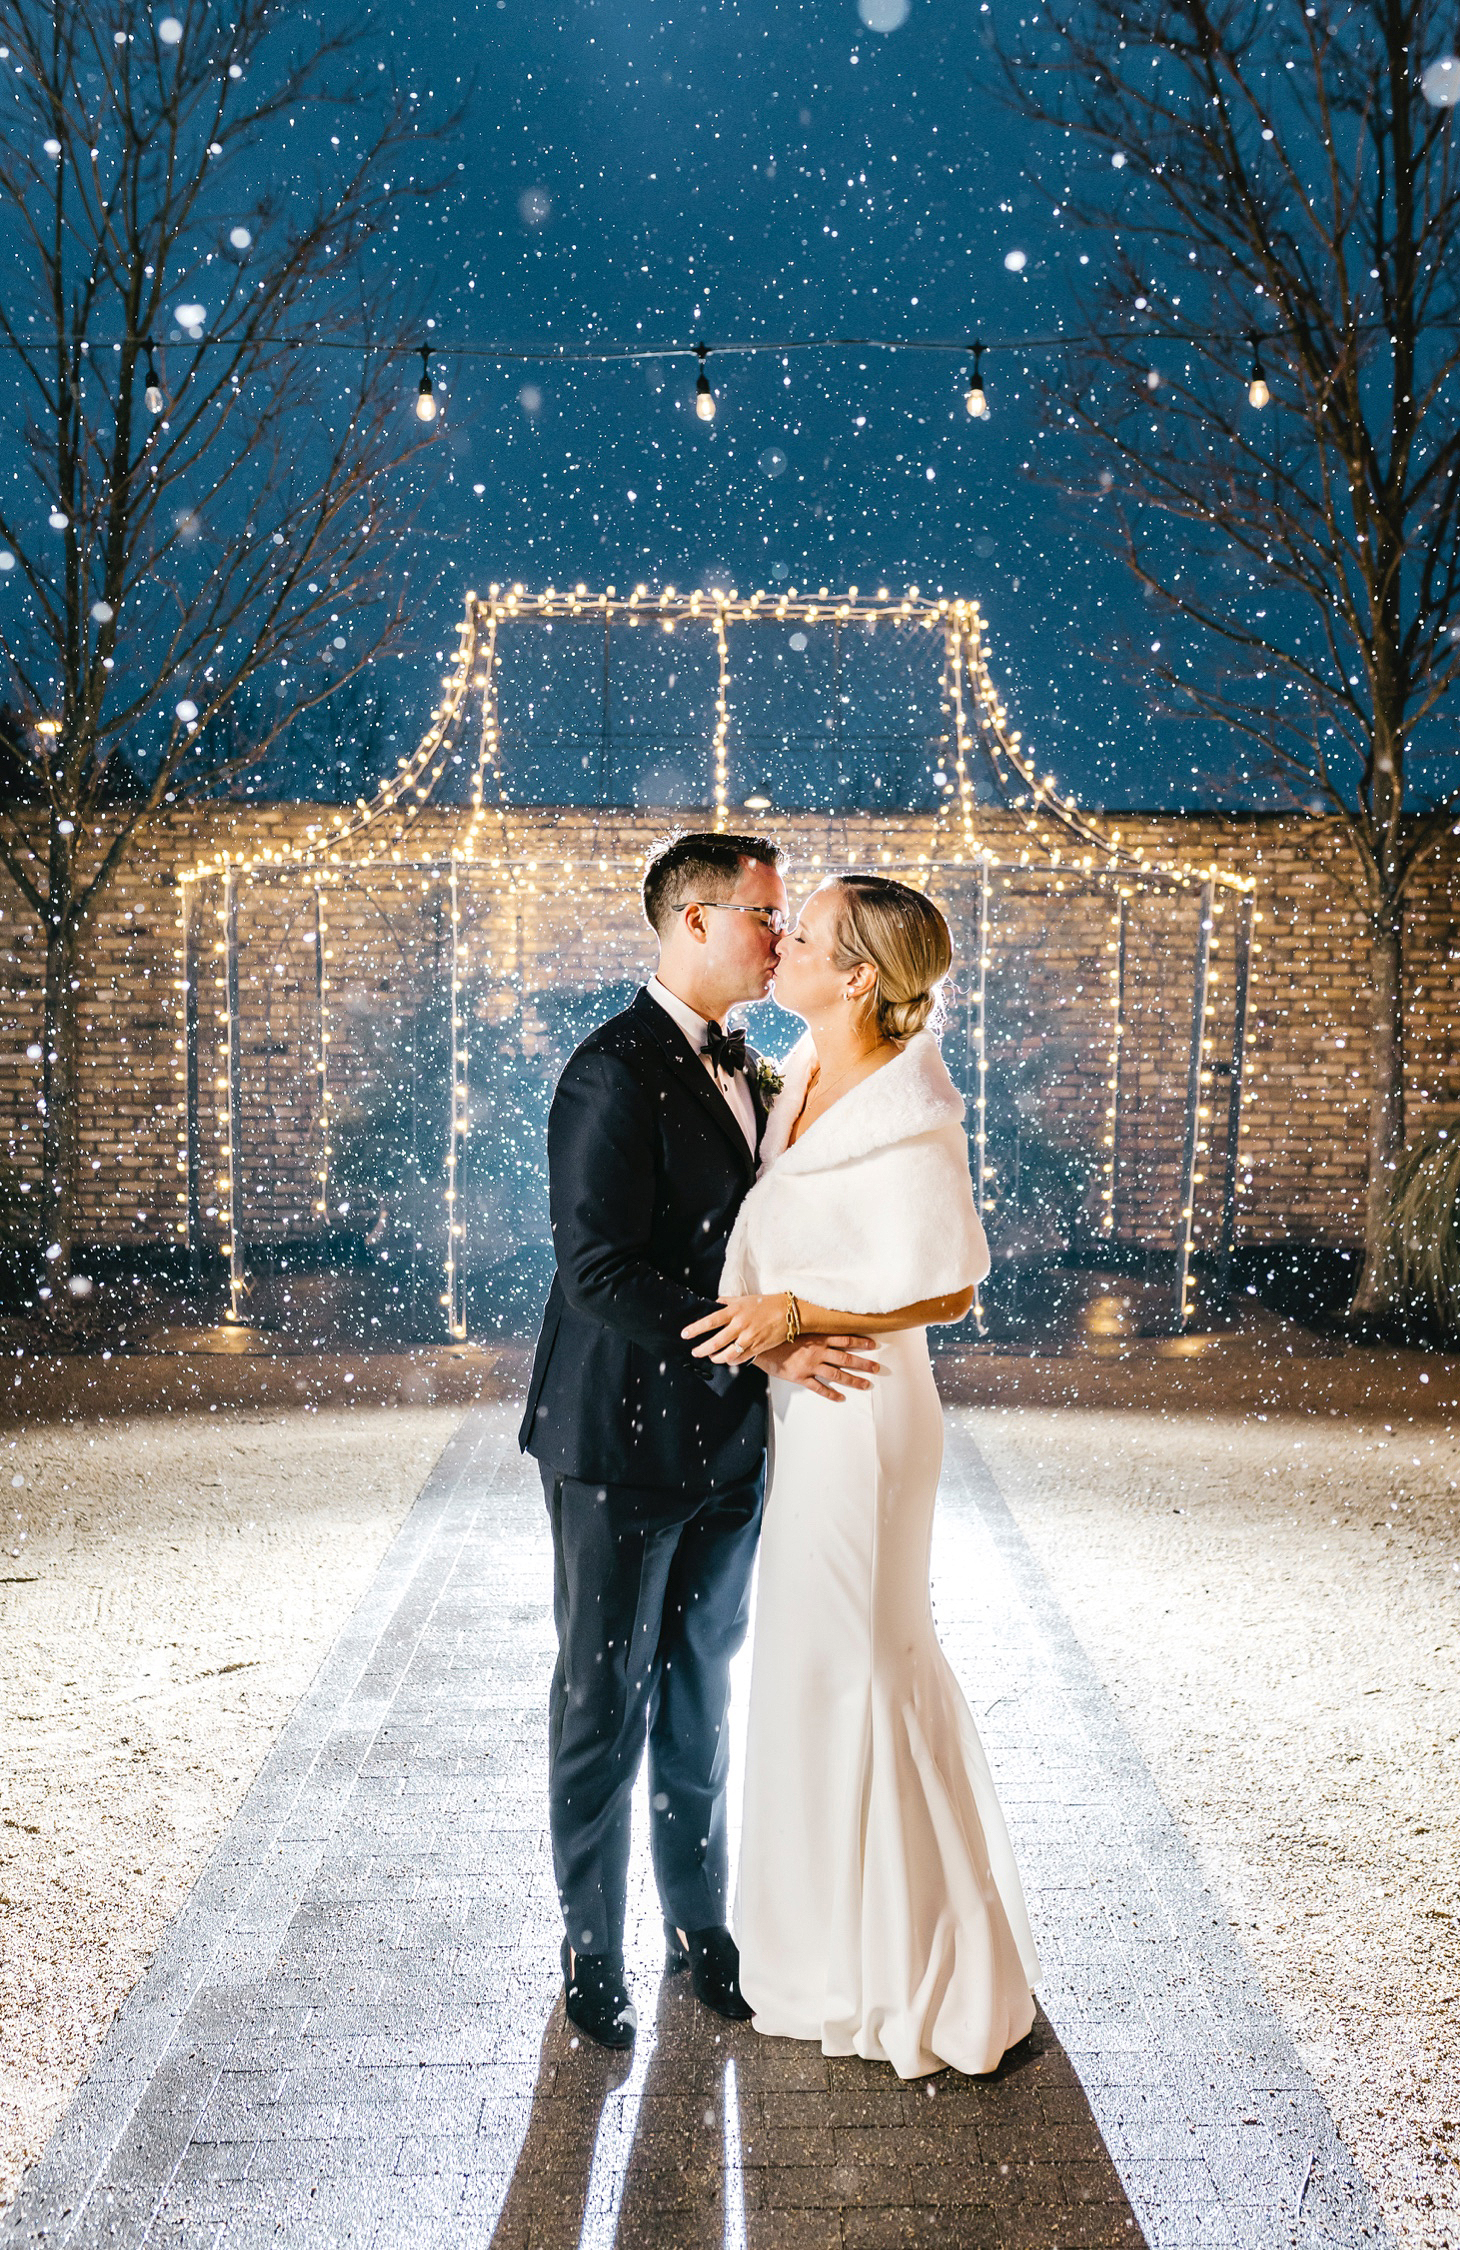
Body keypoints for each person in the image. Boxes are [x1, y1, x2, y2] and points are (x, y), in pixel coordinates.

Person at [518, 832, 878, 2050]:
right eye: (765, 916)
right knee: (602, 1699)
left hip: (727, 1450)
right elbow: (597, 1270)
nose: (782, 938)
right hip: (616, 1446)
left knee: (698, 1696)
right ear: (692, 925)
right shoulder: (610, 1072)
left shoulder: (763, 1067)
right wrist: (762, 1346)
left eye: (784, 918)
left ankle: (699, 1928)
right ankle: (589, 1945)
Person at [686, 873, 1040, 2078]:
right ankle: (827, 1949)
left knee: (858, 1665)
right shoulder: (794, 1084)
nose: (780, 941)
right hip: (809, 1409)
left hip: (869, 1416)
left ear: (856, 979)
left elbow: (947, 1282)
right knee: (816, 1667)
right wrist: (782, 1326)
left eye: (808, 932)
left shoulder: (909, 1101)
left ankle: (905, 1970)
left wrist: (795, 1307)